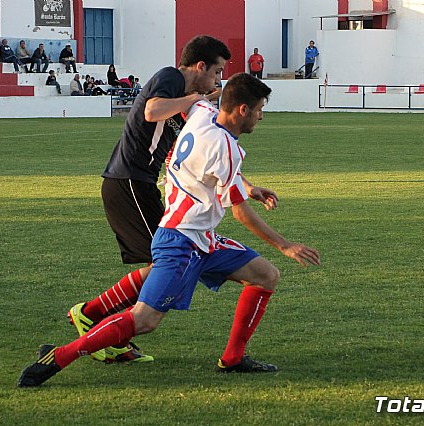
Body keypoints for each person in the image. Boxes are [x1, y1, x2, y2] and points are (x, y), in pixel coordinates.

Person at [17, 73, 321, 387]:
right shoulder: (225, 147)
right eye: (259, 109)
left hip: (201, 237)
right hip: (181, 241)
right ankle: (59, 356)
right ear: (242, 110)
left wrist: (246, 186)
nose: (261, 115)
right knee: (144, 320)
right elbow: (241, 214)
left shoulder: (203, 113)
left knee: (265, 275)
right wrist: (285, 245)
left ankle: (232, 359)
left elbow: (205, 144)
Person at [56, 35, 278, 367]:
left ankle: (97, 317)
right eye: (216, 72)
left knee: (162, 264)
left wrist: (244, 185)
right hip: (130, 179)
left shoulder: (194, 104)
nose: (217, 81)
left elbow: (213, 155)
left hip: (140, 182)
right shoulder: (172, 78)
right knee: (162, 266)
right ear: (200, 67)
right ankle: (94, 318)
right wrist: (197, 97)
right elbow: (150, 110)